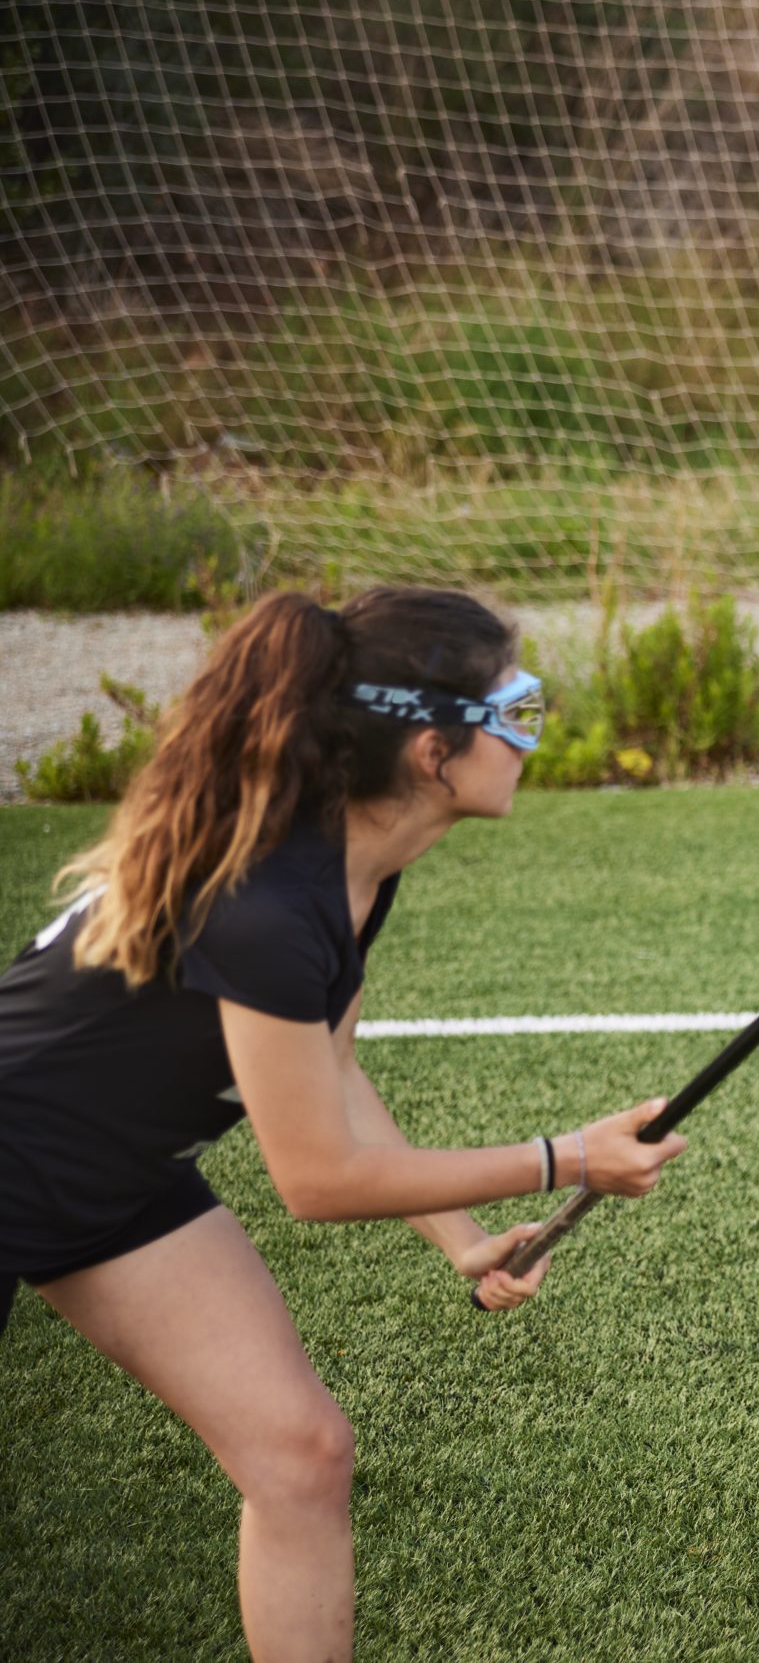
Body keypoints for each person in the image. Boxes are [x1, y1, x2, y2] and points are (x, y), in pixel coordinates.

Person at [0, 587, 690, 1663]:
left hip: (107, 1180)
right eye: (518, 712)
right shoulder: (273, 901)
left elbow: (329, 1066)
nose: (531, 739)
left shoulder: (355, 866)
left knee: (301, 1453)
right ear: (432, 749)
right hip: (21, 1161)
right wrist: (565, 1157)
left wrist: (462, 1237)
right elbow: (313, 1178)